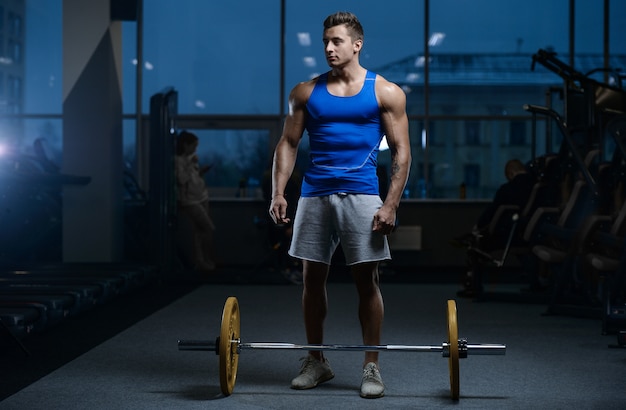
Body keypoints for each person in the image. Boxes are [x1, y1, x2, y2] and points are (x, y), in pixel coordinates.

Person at [269, 11, 411, 399]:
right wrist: (279, 192)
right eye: (325, 42)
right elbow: (288, 144)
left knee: (367, 281)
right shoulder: (305, 92)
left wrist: (392, 204)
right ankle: (316, 360)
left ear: (356, 45)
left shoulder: (385, 92)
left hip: (363, 194)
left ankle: (372, 365)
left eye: (336, 41)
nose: (329, 48)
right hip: (314, 195)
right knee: (311, 280)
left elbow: (401, 151)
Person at [454, 159, 536, 297]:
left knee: (476, 244)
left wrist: (478, 227)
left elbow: (491, 212)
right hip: (531, 234)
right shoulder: (538, 187)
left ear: (511, 173)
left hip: (509, 235)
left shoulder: (507, 189)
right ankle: (535, 283)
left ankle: (475, 286)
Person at [174, 131, 216, 273]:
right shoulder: (179, 160)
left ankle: (201, 262)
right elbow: (181, 180)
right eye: (193, 146)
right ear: (186, 145)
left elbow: (193, 176)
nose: (195, 150)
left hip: (201, 196)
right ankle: (205, 259)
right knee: (208, 228)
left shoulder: (190, 159)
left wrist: (200, 171)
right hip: (190, 200)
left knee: (199, 232)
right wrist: (188, 164)